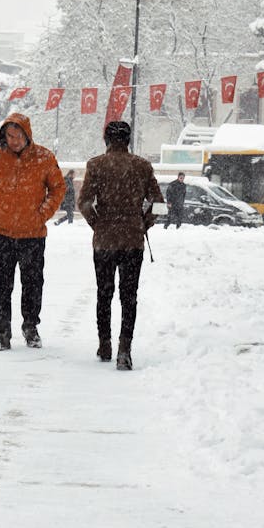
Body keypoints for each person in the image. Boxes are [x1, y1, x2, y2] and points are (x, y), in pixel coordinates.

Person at [0, 113, 65, 351]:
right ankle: (2, 332)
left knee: (33, 283)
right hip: (3, 232)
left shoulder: (44, 158)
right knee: (2, 285)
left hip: (33, 234)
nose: (12, 140)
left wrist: (42, 213)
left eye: (17, 135)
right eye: (8, 136)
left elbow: (58, 189)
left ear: (27, 134)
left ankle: (31, 327)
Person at [78, 120, 163, 371]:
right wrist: (142, 223)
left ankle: (104, 344)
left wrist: (98, 224)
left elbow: (83, 203)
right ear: (128, 140)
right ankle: (124, 349)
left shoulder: (95, 165)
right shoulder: (142, 166)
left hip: (104, 241)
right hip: (132, 242)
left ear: (106, 140)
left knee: (104, 294)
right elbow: (159, 204)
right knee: (129, 297)